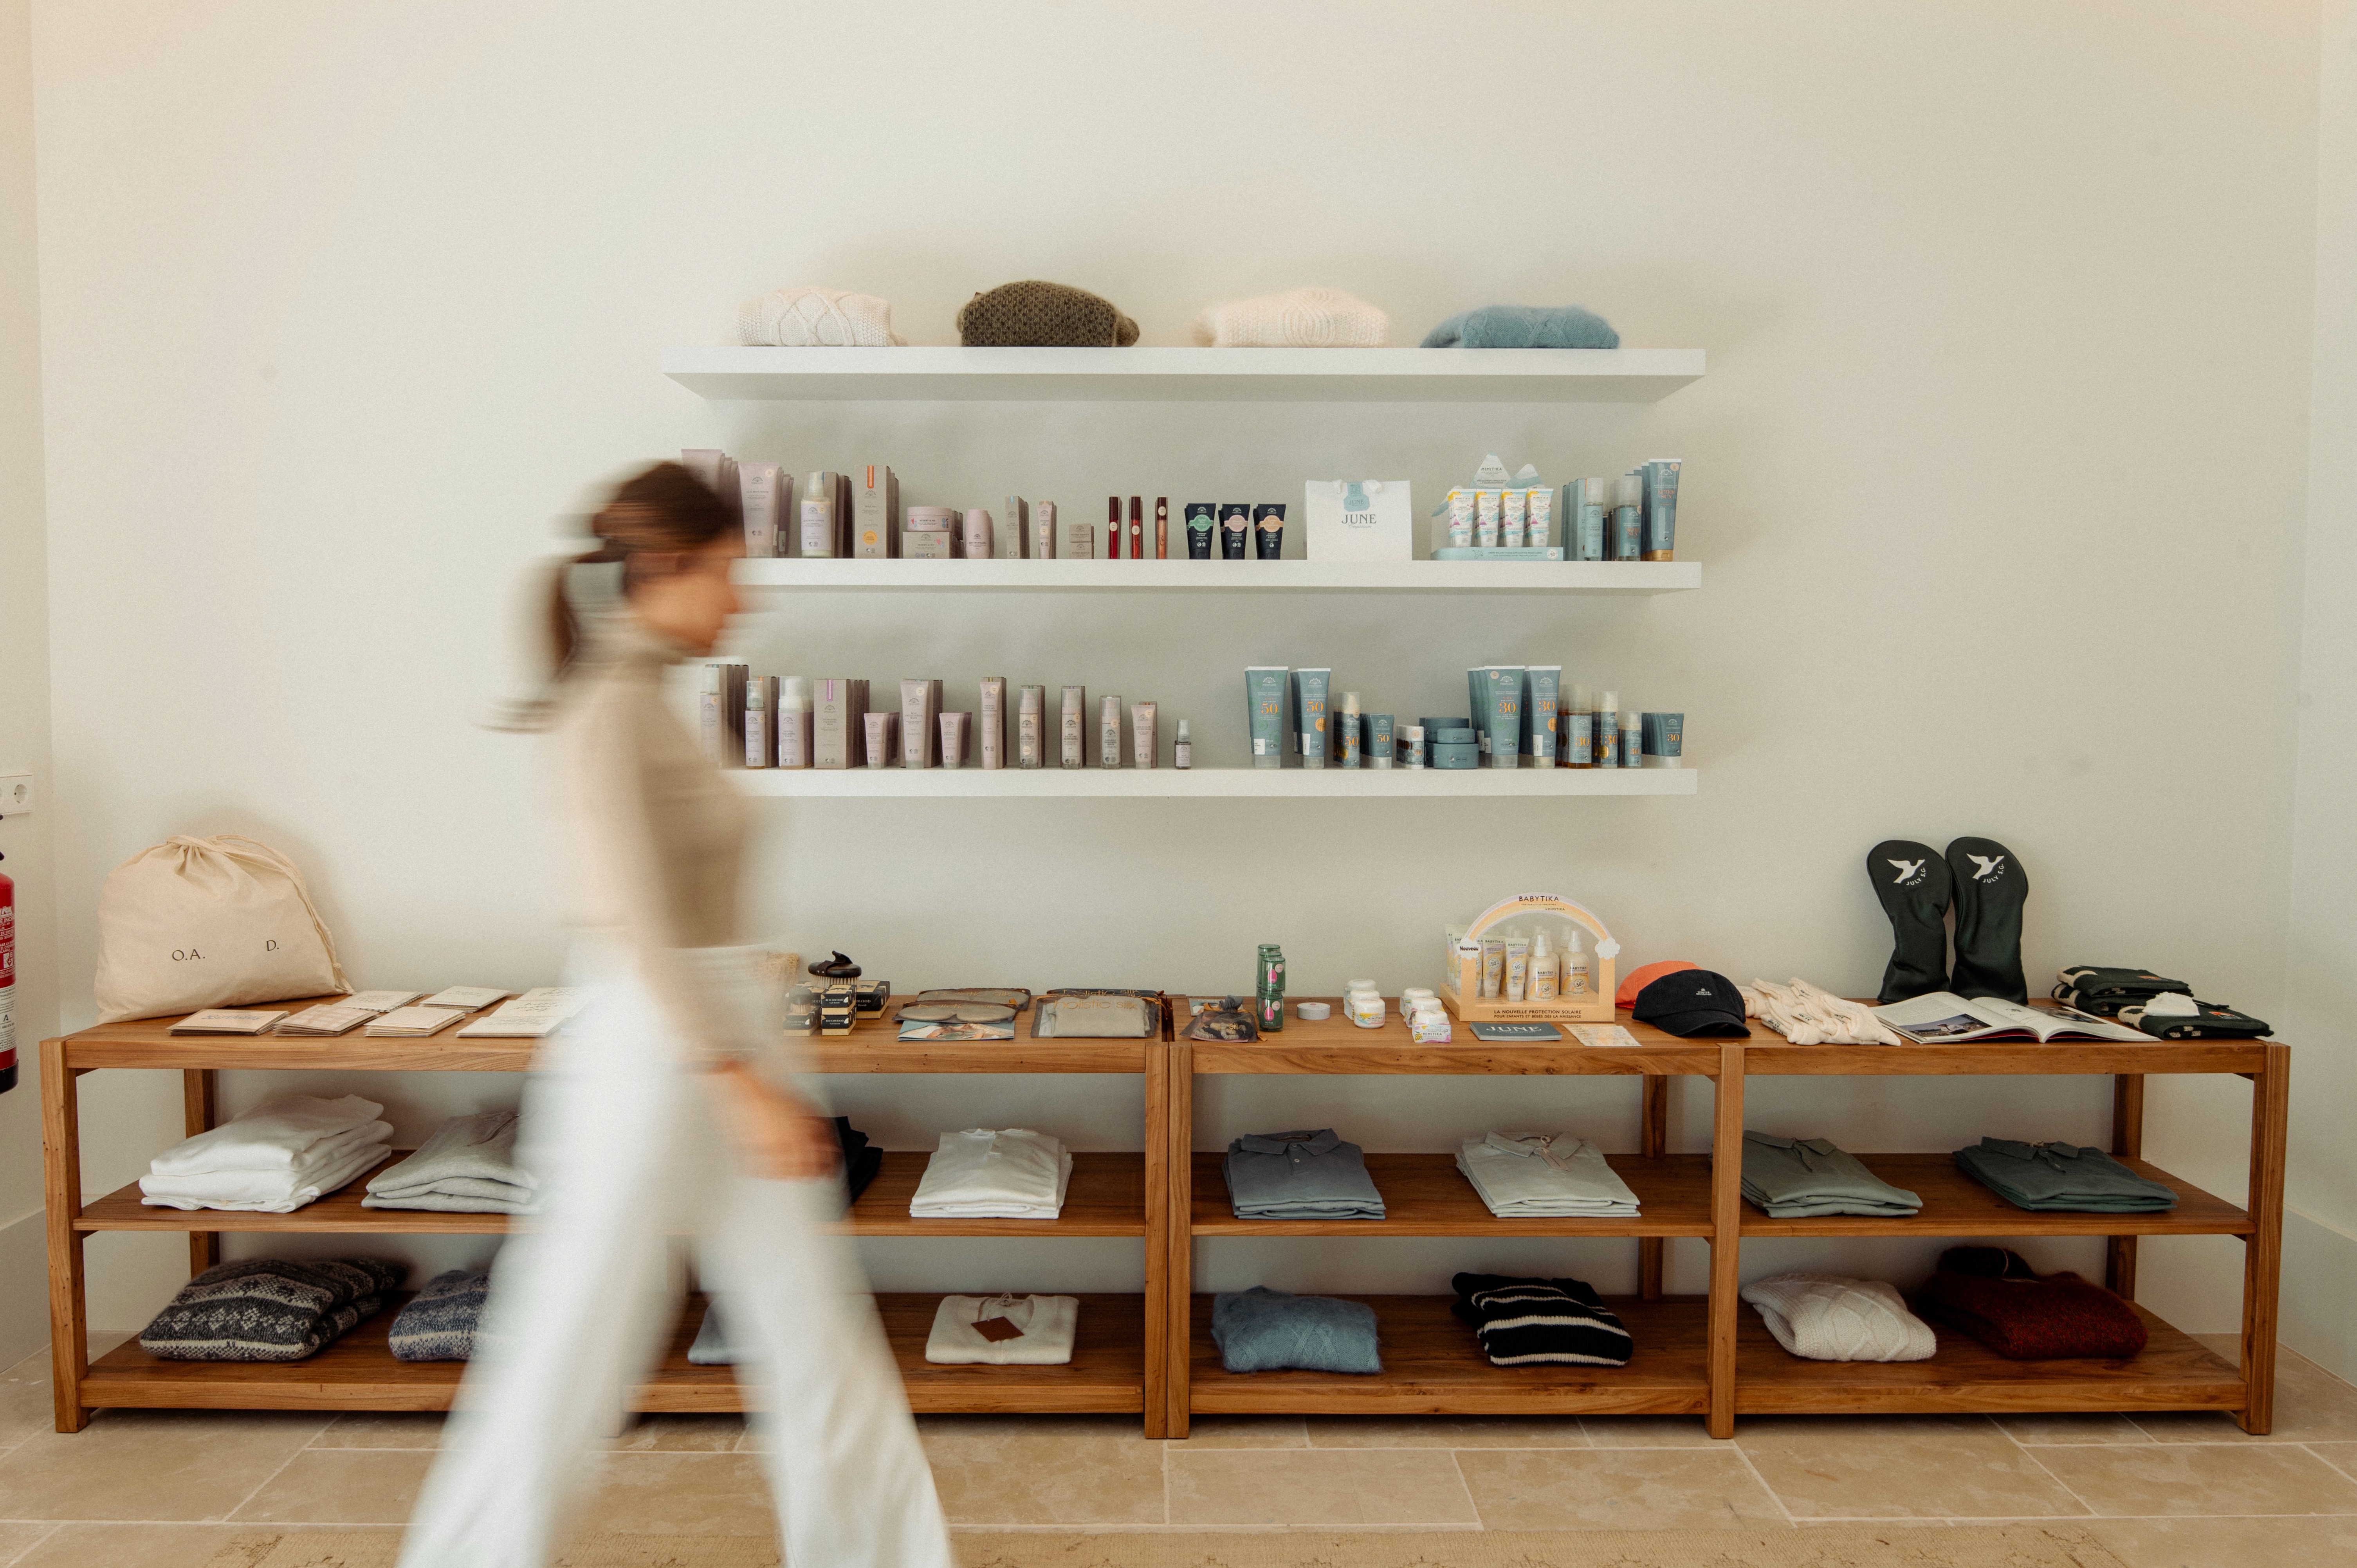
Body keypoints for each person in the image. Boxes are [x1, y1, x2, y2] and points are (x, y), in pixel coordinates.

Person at [398, 463, 950, 1568]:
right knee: (570, 1344)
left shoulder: (649, 699)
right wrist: (735, 1076)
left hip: (713, 1036)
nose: (745, 601)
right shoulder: (604, 709)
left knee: (810, 1331)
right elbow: (628, 922)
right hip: (655, 1055)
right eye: (730, 574)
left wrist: (751, 1038)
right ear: (667, 569)